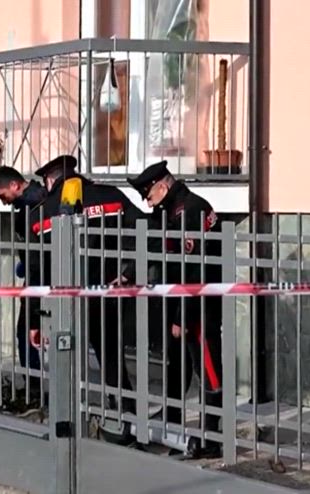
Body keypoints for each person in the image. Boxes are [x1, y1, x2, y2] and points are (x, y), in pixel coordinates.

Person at [30, 155, 147, 440]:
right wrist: (129, 273)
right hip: (105, 293)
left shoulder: (42, 213)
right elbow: (145, 231)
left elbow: (36, 270)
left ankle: (66, 421)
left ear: (50, 180)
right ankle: (125, 417)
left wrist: (34, 317)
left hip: (63, 300)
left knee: (64, 357)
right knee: (111, 358)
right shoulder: (111, 196)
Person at [125, 160, 223, 458]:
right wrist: (128, 274)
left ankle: (212, 437)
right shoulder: (169, 210)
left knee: (208, 368)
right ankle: (172, 422)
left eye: (149, 195)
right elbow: (156, 249)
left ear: (163, 186)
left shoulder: (189, 210)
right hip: (180, 301)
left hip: (199, 304)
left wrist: (182, 316)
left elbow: (192, 270)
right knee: (176, 366)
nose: (147, 202)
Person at [0, 166, 47, 394]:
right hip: (36, 275)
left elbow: (38, 254)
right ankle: (33, 388)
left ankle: (35, 390)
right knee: (27, 334)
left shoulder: (36, 206)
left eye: (3, 196)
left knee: (29, 333)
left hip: (42, 279)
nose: (3, 203)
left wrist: (29, 269)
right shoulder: (29, 205)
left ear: (14, 185)